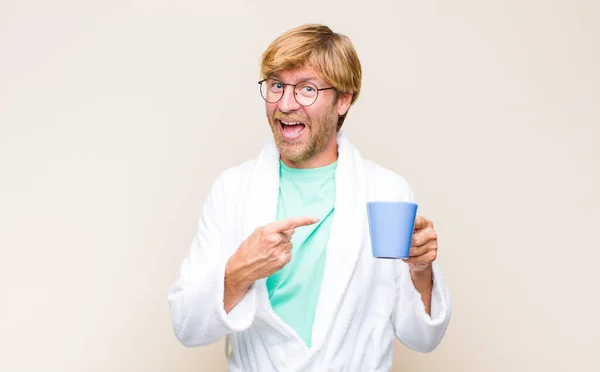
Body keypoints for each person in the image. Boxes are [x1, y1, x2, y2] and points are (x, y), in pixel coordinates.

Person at [167, 24, 451, 371]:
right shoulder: (232, 190)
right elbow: (186, 325)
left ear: (344, 99)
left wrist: (421, 270)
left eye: (307, 89)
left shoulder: (386, 191)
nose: (286, 104)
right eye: (276, 85)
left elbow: (423, 338)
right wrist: (238, 272)